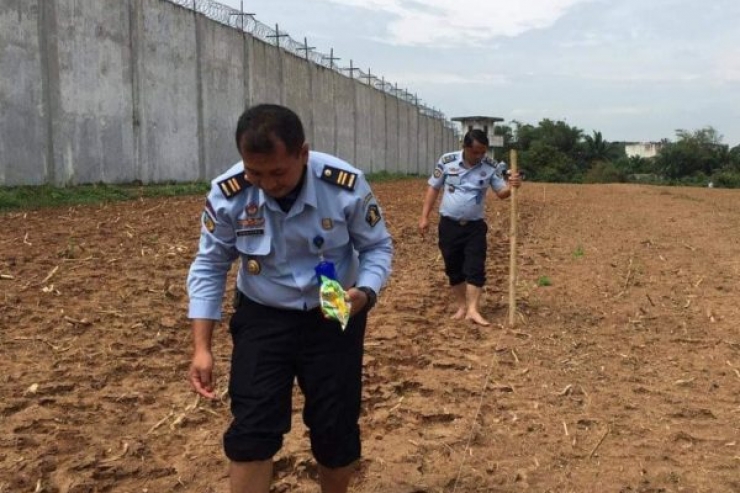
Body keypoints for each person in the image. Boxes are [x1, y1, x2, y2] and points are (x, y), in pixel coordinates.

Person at [187, 104, 393, 493]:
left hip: (333, 307)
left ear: (303, 153)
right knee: (252, 428)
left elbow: (378, 246)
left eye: (278, 172)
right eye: (255, 172)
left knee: (335, 428)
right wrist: (202, 347)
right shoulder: (229, 193)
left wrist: (364, 294)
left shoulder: (344, 186)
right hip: (263, 314)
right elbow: (210, 265)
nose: (267, 183)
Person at [418, 129, 521, 326]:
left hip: (474, 226)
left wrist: (513, 185)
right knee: (453, 267)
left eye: (483, 152)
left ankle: (473, 309)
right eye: (475, 152)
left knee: (475, 266)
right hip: (449, 224)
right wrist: (424, 217)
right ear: (465, 148)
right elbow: (433, 187)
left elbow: (501, 192)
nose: (480, 156)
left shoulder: (490, 166)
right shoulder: (447, 161)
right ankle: (462, 306)